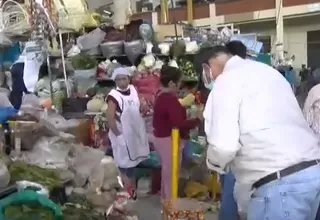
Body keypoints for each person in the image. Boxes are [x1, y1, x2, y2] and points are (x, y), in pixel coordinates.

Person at [202, 45, 320, 219]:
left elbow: (224, 147)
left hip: (279, 185)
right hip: (312, 173)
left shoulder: (226, 81)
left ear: (207, 68)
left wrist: (212, 162)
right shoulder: (268, 72)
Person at [153, 65, 201, 200]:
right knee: (171, 172)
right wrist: (197, 120)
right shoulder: (168, 98)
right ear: (171, 83)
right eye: (179, 83)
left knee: (168, 171)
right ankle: (170, 202)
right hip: (168, 139)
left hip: (162, 138)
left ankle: (166, 200)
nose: (180, 86)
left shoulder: (161, 95)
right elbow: (178, 123)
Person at [106, 67, 150, 200]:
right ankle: (125, 192)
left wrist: (143, 107)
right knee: (124, 165)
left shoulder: (133, 90)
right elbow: (110, 117)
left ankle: (132, 190)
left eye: (124, 78)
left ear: (128, 79)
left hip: (135, 134)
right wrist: (118, 135)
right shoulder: (113, 96)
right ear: (115, 81)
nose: (121, 82)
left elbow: (139, 106)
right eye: (118, 79)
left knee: (134, 163)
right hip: (122, 135)